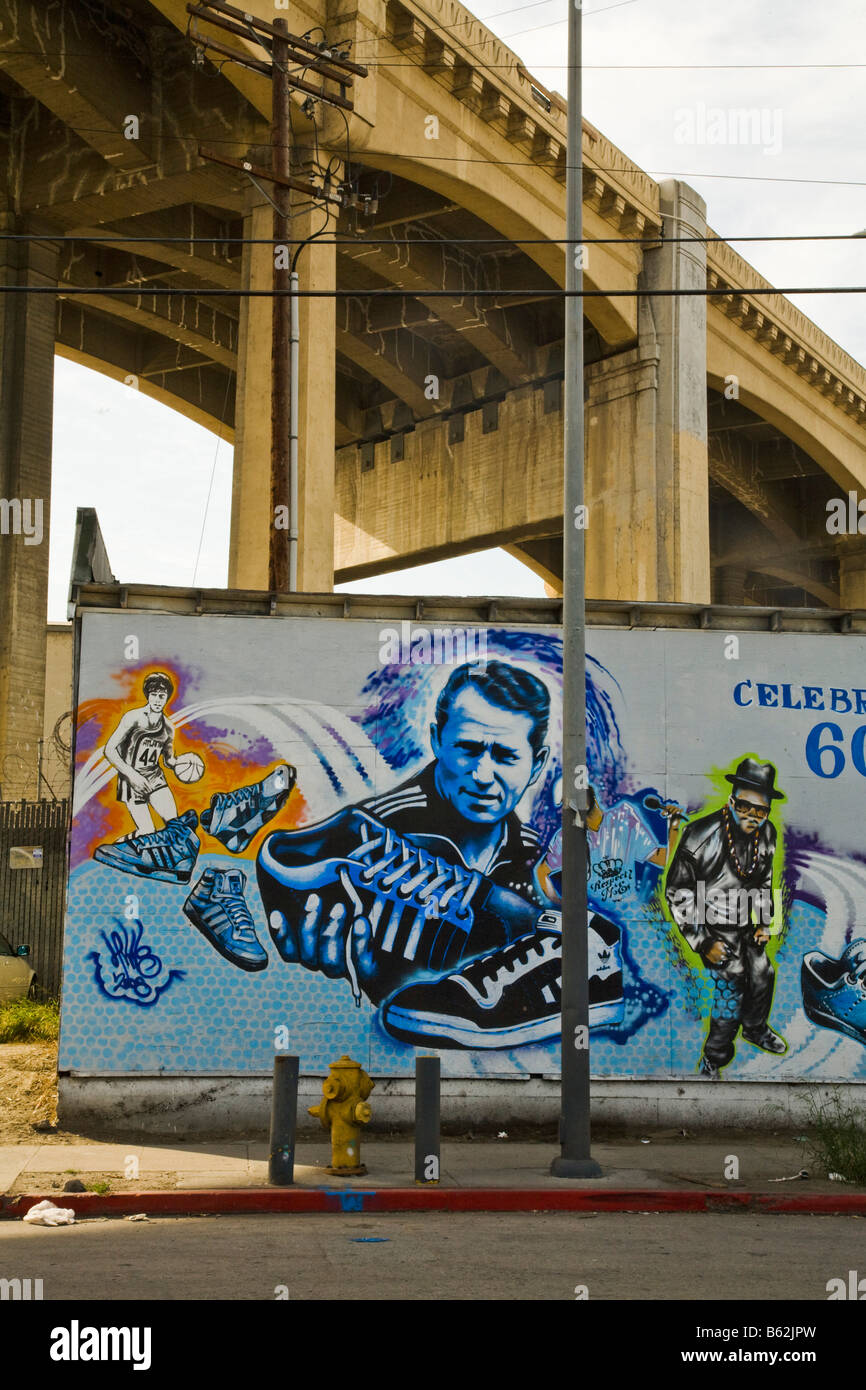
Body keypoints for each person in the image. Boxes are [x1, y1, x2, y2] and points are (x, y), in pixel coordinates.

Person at [257, 660, 558, 1008]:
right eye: (468, 749)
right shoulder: (379, 828)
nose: (482, 774)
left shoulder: (542, 859)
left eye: (505, 756)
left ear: (537, 764)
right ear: (437, 741)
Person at [664, 757, 787, 1079]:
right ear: (732, 801)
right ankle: (715, 1057)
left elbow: (762, 881)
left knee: (763, 972)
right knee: (731, 986)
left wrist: (763, 922)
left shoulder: (767, 834)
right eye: (746, 806)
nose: (753, 816)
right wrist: (703, 942)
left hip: (745, 923)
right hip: (713, 928)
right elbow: (678, 891)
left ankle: (755, 1029)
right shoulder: (700, 836)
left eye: (761, 810)